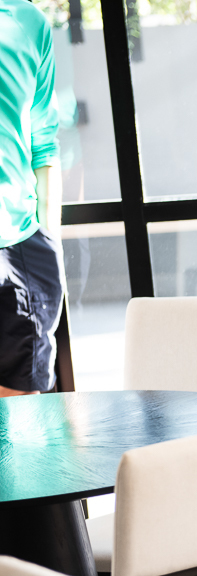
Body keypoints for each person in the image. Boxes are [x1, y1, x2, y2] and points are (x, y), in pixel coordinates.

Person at [0, 0, 64, 398]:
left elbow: (44, 141)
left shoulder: (26, 21)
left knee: (21, 433)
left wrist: (49, 236)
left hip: (18, 245)